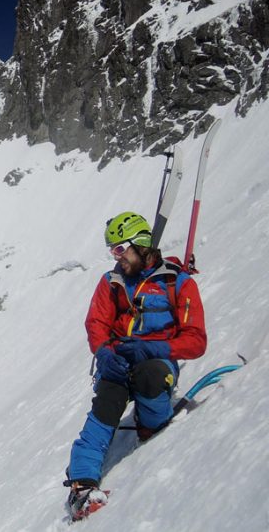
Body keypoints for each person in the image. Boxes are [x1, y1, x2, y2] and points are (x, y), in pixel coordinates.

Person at [64, 211, 207, 519]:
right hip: (116, 361)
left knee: (150, 377)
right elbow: (96, 323)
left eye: (119, 249)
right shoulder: (113, 282)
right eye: (112, 251)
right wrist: (103, 353)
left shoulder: (176, 283)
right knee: (107, 403)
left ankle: (151, 423)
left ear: (141, 244)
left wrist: (155, 348)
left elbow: (195, 340)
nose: (116, 258)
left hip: (157, 362)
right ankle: (82, 483)